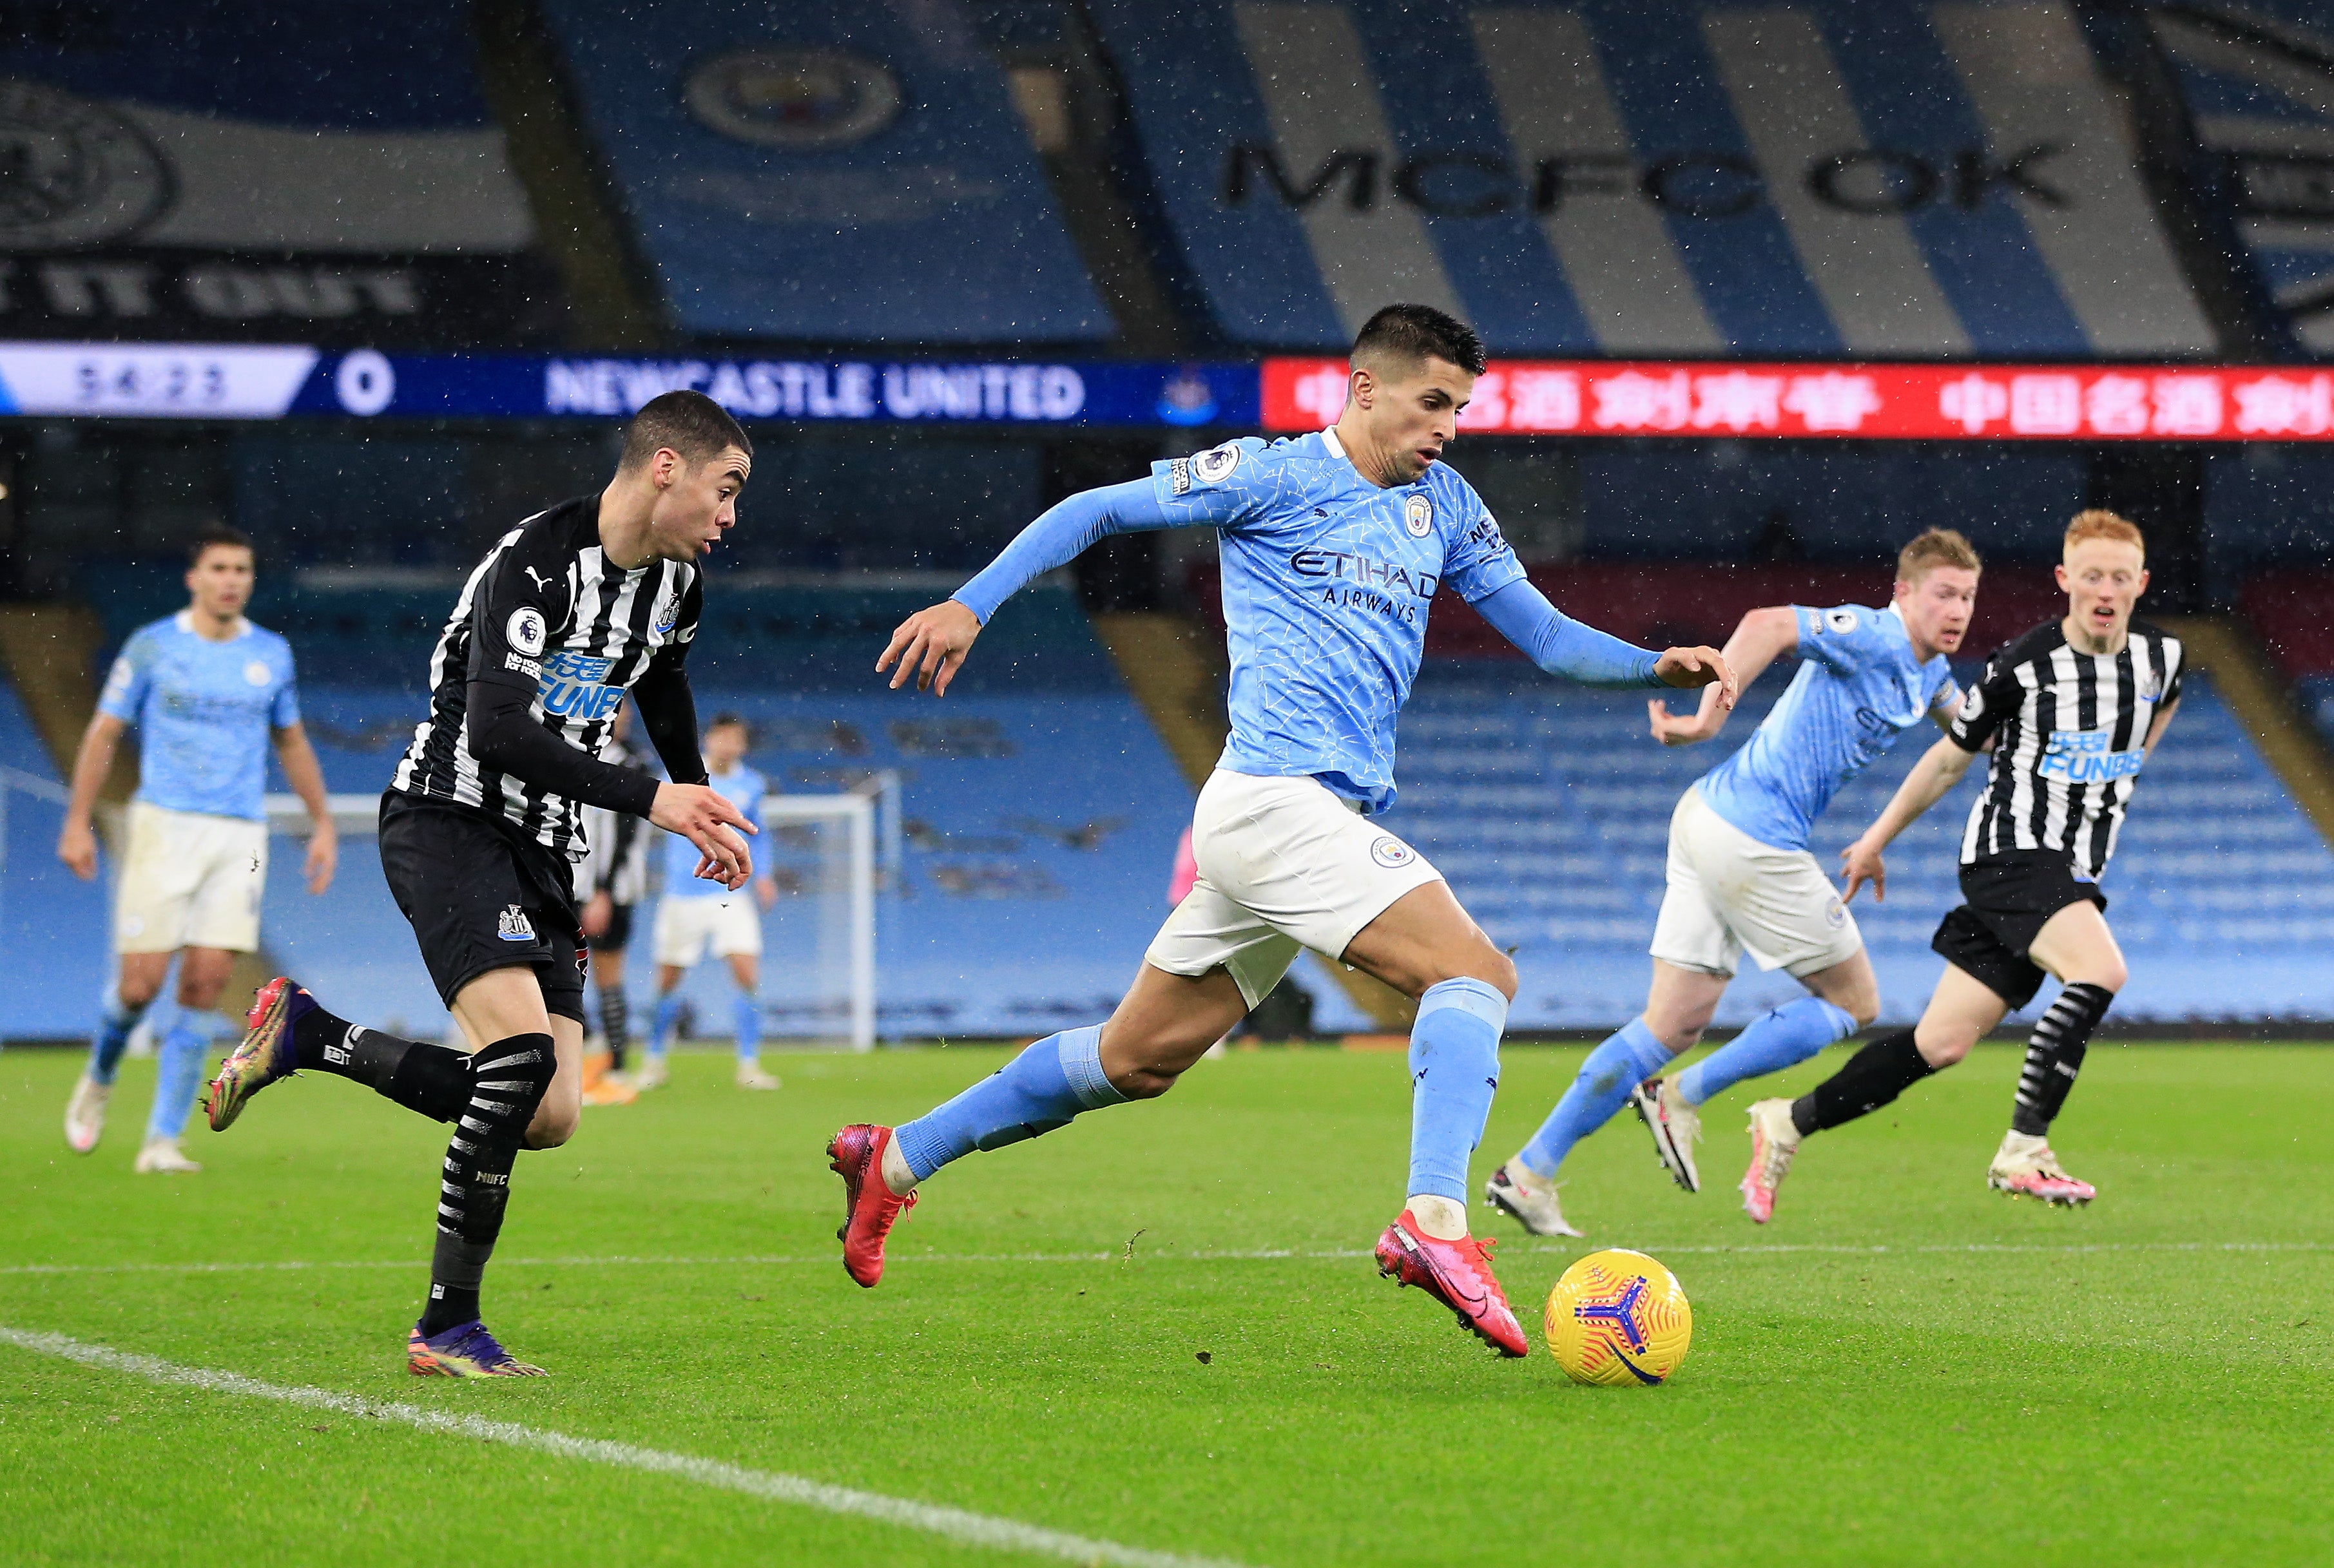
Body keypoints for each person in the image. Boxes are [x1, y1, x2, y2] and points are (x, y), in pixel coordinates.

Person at [827, 304, 1735, 1359]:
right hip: (1271, 799)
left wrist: (1651, 662)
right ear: (1363, 388)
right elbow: (1092, 510)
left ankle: (893, 1157)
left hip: (1307, 820)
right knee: (1474, 972)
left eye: (1460, 409)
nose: (1448, 426)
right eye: (1432, 402)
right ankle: (1434, 1220)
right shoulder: (1269, 474)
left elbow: (1542, 634)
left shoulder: (1443, 505)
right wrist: (971, 604)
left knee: (1138, 1057)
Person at [204, 390, 759, 1377]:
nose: (730, 516)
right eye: (726, 489)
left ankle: (311, 1033)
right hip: (450, 818)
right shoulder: (533, 565)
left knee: (550, 1112)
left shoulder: (675, 585)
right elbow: (497, 731)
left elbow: (662, 680)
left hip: (545, 847)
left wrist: (699, 795)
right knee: (516, 1064)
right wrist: (652, 799)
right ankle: (446, 1324)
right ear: (666, 465)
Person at [1486, 531, 1980, 1236]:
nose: (1956, 608)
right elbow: (1767, 624)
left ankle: (1529, 1172)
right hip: (1751, 833)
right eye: (1942, 593)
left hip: (1708, 821)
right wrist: (1709, 714)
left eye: (1966, 595)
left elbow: (1973, 732)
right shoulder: (1872, 634)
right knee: (1855, 1002)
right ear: (1903, 593)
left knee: (1671, 1023)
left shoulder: (1930, 676)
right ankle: (1683, 1095)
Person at [1741, 511, 2181, 1218]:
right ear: (2065, 580)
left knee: (1938, 1043)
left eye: (2120, 578)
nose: (2105, 590)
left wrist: (2110, 792)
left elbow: (2152, 722)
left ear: (2141, 584)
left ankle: (1785, 1121)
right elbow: (1948, 759)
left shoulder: (2163, 662)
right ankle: (2024, 1150)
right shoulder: (2023, 664)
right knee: (2100, 970)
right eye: (2091, 575)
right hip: (2009, 857)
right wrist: (1876, 836)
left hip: (2068, 870)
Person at [57, 526, 337, 1174]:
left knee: (207, 981)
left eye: (241, 568)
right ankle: (100, 1075)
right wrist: (77, 821)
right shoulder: (154, 646)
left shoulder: (271, 654)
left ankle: (162, 1140)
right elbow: (103, 733)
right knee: (140, 984)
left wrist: (321, 822)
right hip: (163, 826)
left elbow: (291, 742)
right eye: (218, 568)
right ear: (195, 578)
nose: (231, 579)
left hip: (238, 834)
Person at [637, 712, 779, 1092]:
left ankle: (749, 1064)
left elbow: (758, 834)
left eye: (736, 739)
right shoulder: (680, 778)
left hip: (730, 893)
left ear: (743, 744)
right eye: (722, 738)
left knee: (747, 973)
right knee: (667, 981)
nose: (728, 745)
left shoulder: (752, 784)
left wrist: (763, 875)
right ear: (710, 740)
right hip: (683, 893)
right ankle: (653, 1060)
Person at [576, 702, 657, 1107]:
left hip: (613, 889)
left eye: (626, 709)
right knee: (561, 972)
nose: (620, 716)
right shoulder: (573, 751)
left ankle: (617, 1064)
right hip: (570, 883)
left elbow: (626, 834)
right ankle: (585, 1053)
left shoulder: (634, 763)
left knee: (608, 972)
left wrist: (603, 891)